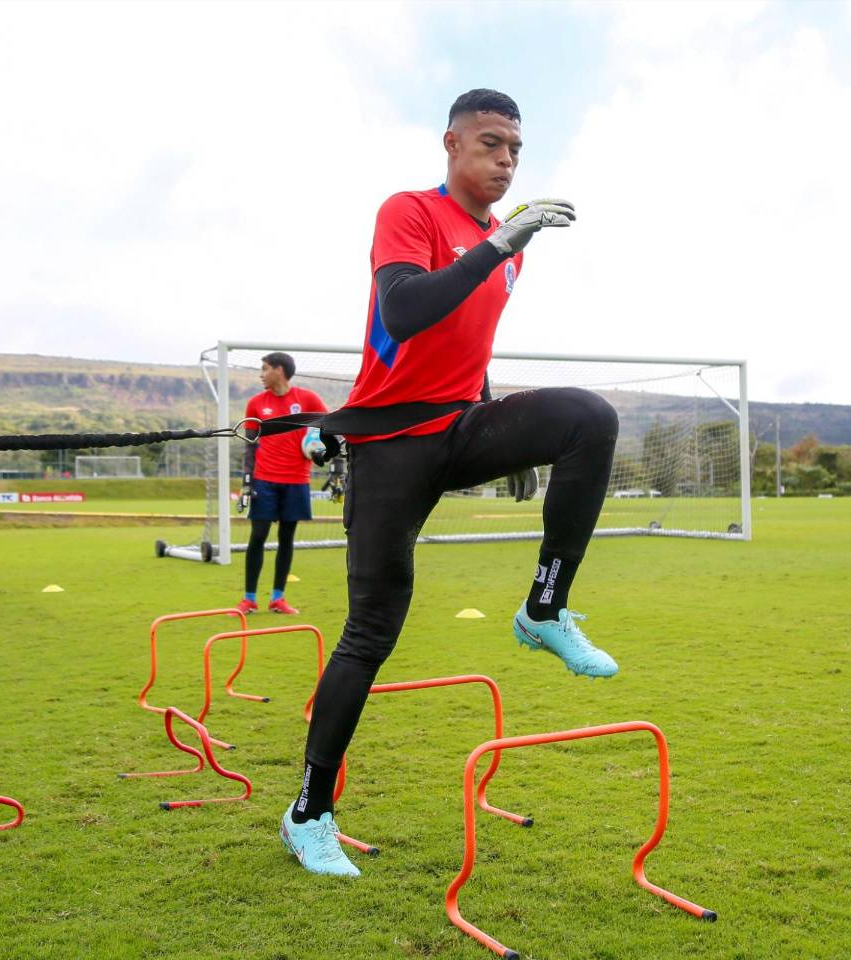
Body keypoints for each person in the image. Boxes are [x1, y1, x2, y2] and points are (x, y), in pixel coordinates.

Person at [279, 89, 620, 877]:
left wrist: (511, 440)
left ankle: (545, 606)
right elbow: (404, 313)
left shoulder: (506, 245)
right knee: (372, 631)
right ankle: (310, 812)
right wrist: (497, 245)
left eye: (516, 151)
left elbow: (470, 346)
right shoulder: (410, 212)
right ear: (452, 143)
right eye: (492, 144)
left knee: (588, 418)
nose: (505, 160)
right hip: (391, 445)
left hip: (459, 428)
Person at [236, 352, 328, 615]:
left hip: (297, 480)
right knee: (258, 536)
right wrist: (246, 482)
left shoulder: (308, 399)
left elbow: (330, 427)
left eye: (265, 369)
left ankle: (278, 598)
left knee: (286, 538)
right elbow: (249, 447)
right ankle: (249, 599)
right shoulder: (255, 404)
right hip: (264, 480)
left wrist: (319, 447)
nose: (261, 374)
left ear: (280, 370)